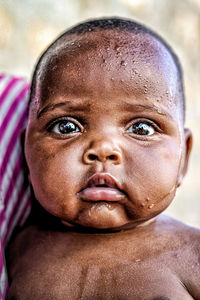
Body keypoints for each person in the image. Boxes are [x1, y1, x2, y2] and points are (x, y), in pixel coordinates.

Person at [5, 18, 200, 299]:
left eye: (141, 128)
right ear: (26, 151)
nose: (104, 148)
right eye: (66, 126)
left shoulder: (192, 253)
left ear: (184, 158)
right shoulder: (18, 250)